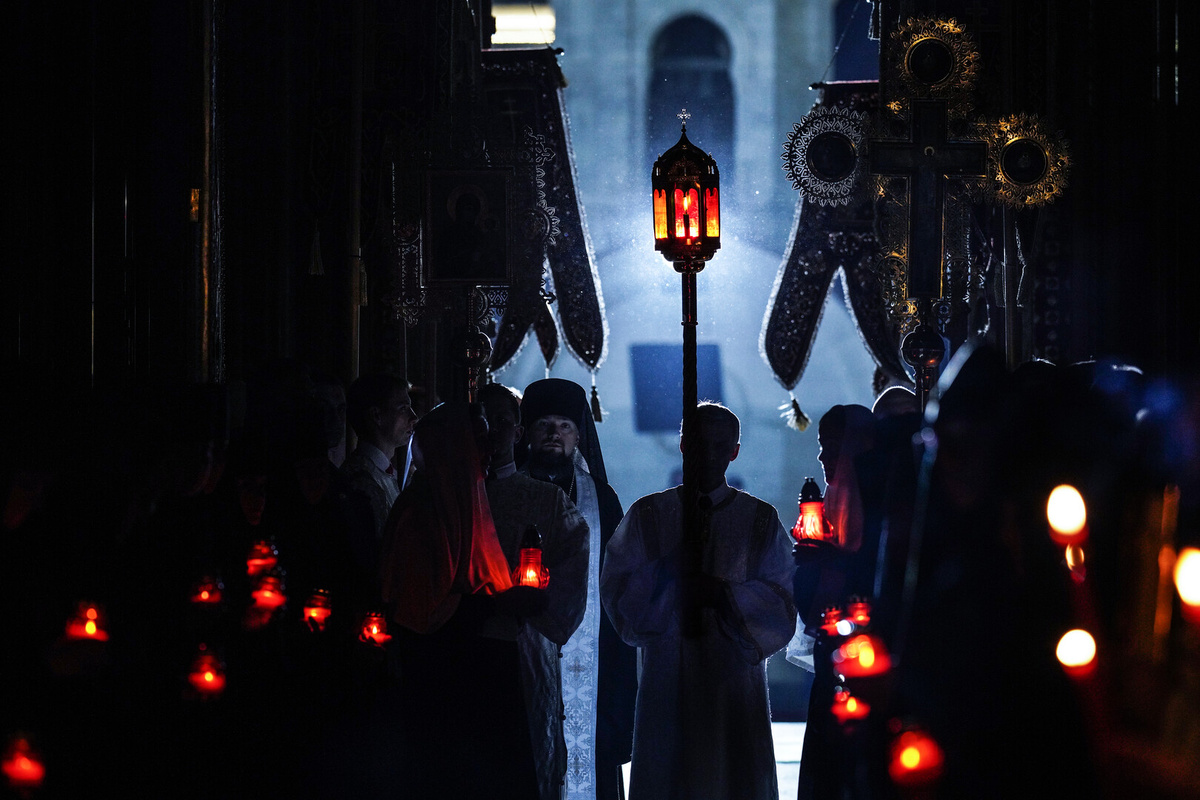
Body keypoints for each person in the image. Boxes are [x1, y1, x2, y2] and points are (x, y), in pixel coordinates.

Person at [600, 402, 796, 800]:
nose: (708, 455)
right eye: (699, 443)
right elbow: (618, 591)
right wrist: (667, 569)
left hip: (732, 683)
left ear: (735, 451)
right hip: (666, 675)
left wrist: (723, 595)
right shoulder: (649, 515)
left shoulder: (760, 520)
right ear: (683, 445)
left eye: (720, 445)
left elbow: (783, 601)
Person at [380, 401, 547, 800]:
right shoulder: (420, 512)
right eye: (478, 439)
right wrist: (498, 604)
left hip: (479, 686)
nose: (489, 448)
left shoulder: (463, 501)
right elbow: (420, 613)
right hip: (444, 693)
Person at [518, 378, 636, 800]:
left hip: (594, 661)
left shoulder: (601, 498)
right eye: (544, 424)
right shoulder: (508, 494)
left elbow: (617, 585)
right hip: (523, 650)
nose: (554, 433)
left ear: (578, 436)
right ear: (526, 432)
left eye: (565, 425)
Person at [479, 381, 590, 800]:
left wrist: (528, 605)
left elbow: (570, 585)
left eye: (502, 421)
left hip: (524, 655)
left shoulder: (548, 502)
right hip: (454, 652)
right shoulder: (436, 495)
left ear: (516, 431)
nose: (491, 430)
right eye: (482, 420)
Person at [343, 373, 416, 545]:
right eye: (403, 408)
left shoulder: (383, 473)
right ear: (377, 415)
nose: (414, 418)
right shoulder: (362, 480)